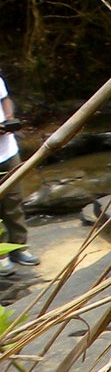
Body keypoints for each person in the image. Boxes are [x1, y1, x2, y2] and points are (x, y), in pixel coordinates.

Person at [0, 64, 37, 274]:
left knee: (14, 203)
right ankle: (1, 255)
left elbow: (5, 98)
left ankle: (19, 247)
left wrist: (8, 118)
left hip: (8, 153)